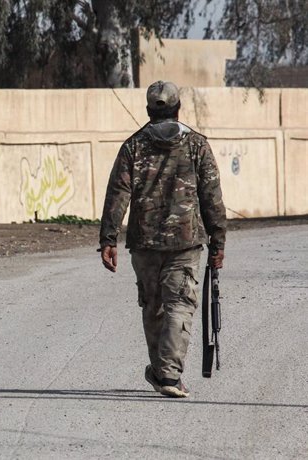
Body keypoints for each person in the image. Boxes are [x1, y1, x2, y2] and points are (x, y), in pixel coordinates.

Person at [98, 80, 226, 398]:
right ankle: (168, 375)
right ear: (178, 108)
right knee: (179, 305)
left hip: (144, 244)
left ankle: (161, 370)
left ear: (147, 110)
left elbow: (118, 194)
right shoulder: (196, 145)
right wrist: (218, 240)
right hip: (185, 242)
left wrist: (108, 239)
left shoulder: (133, 146)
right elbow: (212, 195)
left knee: (154, 307)